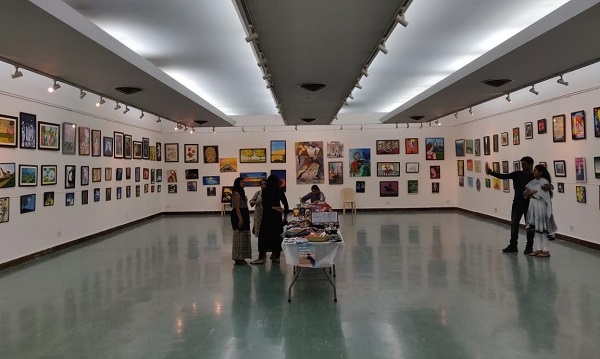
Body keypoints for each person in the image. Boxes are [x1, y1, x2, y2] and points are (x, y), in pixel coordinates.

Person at [487, 156, 553, 254]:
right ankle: (513, 245)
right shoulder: (517, 174)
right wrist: (491, 172)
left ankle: (529, 247)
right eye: (521, 164)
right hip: (517, 203)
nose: (522, 166)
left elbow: (546, 186)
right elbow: (503, 176)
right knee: (514, 224)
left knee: (529, 227)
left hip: (529, 205)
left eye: (524, 164)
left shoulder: (534, 177)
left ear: (530, 164)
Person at [251, 175, 289, 264]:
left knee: (264, 236)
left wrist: (273, 208)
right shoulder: (280, 191)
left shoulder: (265, 191)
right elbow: (285, 203)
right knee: (277, 235)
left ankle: (261, 257)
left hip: (267, 216)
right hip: (277, 217)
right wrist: (285, 216)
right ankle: (276, 256)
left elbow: (265, 205)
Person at [523, 165, 557, 257]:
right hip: (533, 207)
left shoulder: (544, 182)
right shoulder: (533, 182)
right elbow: (526, 193)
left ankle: (546, 250)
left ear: (541, 172)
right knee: (536, 229)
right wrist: (530, 193)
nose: (534, 172)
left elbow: (540, 194)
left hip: (541, 207)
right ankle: (538, 248)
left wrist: (532, 194)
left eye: (536, 171)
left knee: (543, 229)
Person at [231, 177, 252, 265]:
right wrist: (240, 219)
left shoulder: (241, 192)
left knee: (244, 235)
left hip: (244, 214)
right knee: (239, 235)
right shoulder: (236, 193)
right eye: (241, 182)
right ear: (237, 183)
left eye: (244, 182)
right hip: (239, 215)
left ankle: (242, 256)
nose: (243, 183)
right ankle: (238, 257)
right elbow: (237, 208)